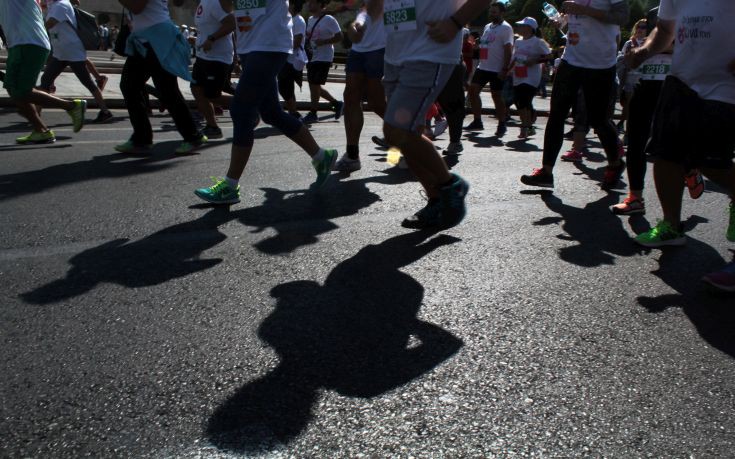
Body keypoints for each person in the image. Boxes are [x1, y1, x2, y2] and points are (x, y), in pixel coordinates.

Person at [627, 0, 735, 292]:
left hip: (726, 84)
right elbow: (664, 28)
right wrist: (644, 52)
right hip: (682, 79)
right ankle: (671, 226)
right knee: (664, 154)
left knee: (712, 162)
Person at [194, 0, 338, 205]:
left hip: (269, 44)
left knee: (242, 111)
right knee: (271, 113)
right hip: (248, 46)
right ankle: (321, 156)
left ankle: (230, 186)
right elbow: (226, 7)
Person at [373, 0, 491, 229]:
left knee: (396, 131)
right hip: (395, 54)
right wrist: (360, 21)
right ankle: (437, 199)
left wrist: (456, 22)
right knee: (409, 134)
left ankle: (451, 185)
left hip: (430, 51)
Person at [520, 0, 628, 189]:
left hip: (600, 64)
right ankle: (546, 172)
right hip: (571, 59)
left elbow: (623, 17)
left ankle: (615, 163)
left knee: (599, 120)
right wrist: (563, 21)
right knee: (556, 115)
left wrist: (586, 10)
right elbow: (577, 19)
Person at [115, 0, 206, 155]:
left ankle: (191, 136)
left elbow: (137, 7)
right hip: (148, 40)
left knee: (164, 90)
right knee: (133, 86)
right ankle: (142, 138)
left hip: (157, 40)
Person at [0, 0, 86, 144]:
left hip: (29, 43)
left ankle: (72, 106)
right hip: (19, 43)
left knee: (22, 91)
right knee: (13, 89)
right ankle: (41, 131)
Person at [39, 0, 113, 123]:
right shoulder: (53, 5)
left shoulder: (61, 5)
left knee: (88, 82)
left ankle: (105, 111)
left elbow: (49, 24)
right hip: (61, 52)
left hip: (72, 51)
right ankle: (37, 113)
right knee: (45, 80)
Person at [334, 0, 386, 172]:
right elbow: (363, 15)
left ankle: (410, 137)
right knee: (350, 98)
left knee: (377, 103)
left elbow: (375, 9)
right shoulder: (362, 6)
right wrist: (354, 26)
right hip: (358, 50)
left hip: (380, 49)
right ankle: (352, 155)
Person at [464, 2, 513, 136]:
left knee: (496, 96)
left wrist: (505, 69)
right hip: (483, 66)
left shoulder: (506, 28)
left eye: (494, 12)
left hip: (497, 68)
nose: (491, 14)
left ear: (502, 13)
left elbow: (508, 49)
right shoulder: (487, 27)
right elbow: (487, 44)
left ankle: (502, 123)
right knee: (473, 91)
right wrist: (478, 46)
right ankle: (477, 121)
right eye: (490, 12)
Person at [190, 0, 236, 139]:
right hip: (203, 55)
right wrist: (198, 39)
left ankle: (247, 105)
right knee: (196, 89)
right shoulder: (204, 2)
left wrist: (211, 39)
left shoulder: (216, 2)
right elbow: (208, 27)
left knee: (212, 95)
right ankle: (212, 127)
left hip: (218, 58)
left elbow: (231, 23)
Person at [302, 0, 343, 123]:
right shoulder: (309, 20)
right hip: (312, 56)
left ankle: (313, 113)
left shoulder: (329, 19)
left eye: (313, 3)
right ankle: (337, 104)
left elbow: (340, 36)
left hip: (324, 57)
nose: (309, 5)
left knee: (314, 85)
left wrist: (324, 42)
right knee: (314, 86)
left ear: (320, 4)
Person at [510, 17, 551, 139]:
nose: (519, 27)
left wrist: (535, 60)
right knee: (518, 102)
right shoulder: (518, 41)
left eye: (522, 25)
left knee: (523, 100)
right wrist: (507, 70)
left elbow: (549, 56)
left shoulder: (538, 42)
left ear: (530, 28)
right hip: (518, 74)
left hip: (531, 77)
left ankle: (525, 127)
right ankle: (528, 125)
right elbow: (514, 58)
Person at [277, 0, 307, 120]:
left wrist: (283, 48)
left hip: (291, 59)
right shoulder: (289, 19)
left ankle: (294, 113)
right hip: (285, 58)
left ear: (293, 5)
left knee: (285, 87)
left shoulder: (298, 20)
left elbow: (297, 40)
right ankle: (292, 112)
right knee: (285, 86)